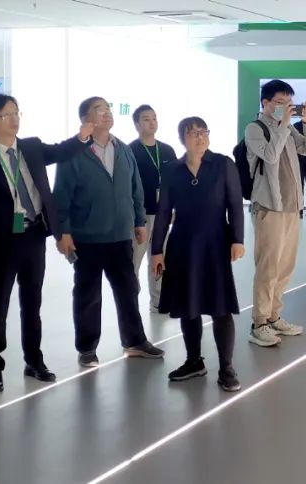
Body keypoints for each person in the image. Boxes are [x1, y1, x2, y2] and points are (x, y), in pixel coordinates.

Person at [0, 94, 94, 393]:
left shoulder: (32, 147)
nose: (14, 119)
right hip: (2, 241)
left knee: (32, 302)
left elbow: (61, 151)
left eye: (16, 113)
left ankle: (34, 361)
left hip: (34, 235)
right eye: (6, 115)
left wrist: (82, 136)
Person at [54, 96, 165, 368]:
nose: (106, 113)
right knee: (88, 295)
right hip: (87, 238)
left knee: (128, 290)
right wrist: (63, 232)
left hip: (120, 236)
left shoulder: (123, 149)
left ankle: (135, 341)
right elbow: (61, 196)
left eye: (108, 109)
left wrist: (139, 221)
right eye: (99, 109)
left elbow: (135, 187)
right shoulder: (74, 153)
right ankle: (87, 348)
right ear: (85, 119)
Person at [151, 117, 245, 392]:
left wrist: (237, 239)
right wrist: (157, 250)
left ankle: (226, 367)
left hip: (215, 243)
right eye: (193, 133)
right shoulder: (172, 170)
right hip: (182, 245)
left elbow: (235, 204)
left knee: (220, 307)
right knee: (188, 305)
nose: (200, 137)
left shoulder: (223, 164)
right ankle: (194, 361)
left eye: (203, 132)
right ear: (183, 139)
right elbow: (163, 212)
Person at [244, 80, 306, 347]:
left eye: (289, 103)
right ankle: (259, 323)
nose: (286, 107)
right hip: (269, 208)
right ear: (265, 103)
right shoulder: (256, 128)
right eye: (279, 103)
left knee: (285, 267)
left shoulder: (287, 128)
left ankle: (274, 316)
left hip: (291, 207)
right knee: (268, 267)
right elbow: (271, 156)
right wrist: (284, 125)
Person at [129, 105, 177, 313]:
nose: (152, 122)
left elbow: (175, 182)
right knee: (134, 260)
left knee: (159, 257)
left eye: (154, 118)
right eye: (146, 119)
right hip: (139, 216)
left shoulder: (167, 150)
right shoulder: (129, 150)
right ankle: (130, 299)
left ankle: (158, 300)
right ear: (137, 124)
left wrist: (175, 207)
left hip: (163, 214)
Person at [293, 119, 306, 217]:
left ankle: (304, 211)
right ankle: (305, 210)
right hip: (302, 160)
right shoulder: (296, 126)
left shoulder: (296, 125)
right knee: (303, 186)